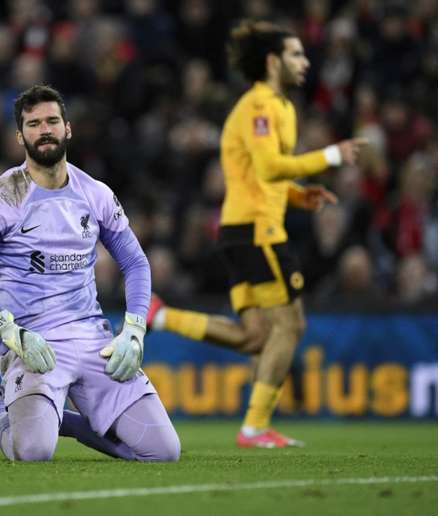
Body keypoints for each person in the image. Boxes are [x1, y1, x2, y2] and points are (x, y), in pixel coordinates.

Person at [148, 20, 367, 448]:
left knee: (255, 336)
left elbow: (260, 175)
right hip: (257, 232)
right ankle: (254, 426)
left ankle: (163, 316)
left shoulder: (281, 107)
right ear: (272, 61)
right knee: (291, 323)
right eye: (296, 55)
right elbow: (268, 166)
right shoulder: (259, 106)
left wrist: (298, 196)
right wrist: (330, 154)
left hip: (242, 229)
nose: (305, 62)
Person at [0, 85, 180, 462]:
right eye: (33, 124)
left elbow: (135, 262)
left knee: (162, 452)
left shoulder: (94, 193)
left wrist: (134, 329)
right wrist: (6, 330)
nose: (44, 130)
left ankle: (53, 418)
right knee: (33, 452)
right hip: (34, 346)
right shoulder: (3, 198)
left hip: (93, 339)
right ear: (20, 136)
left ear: (68, 129)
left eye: (51, 121)